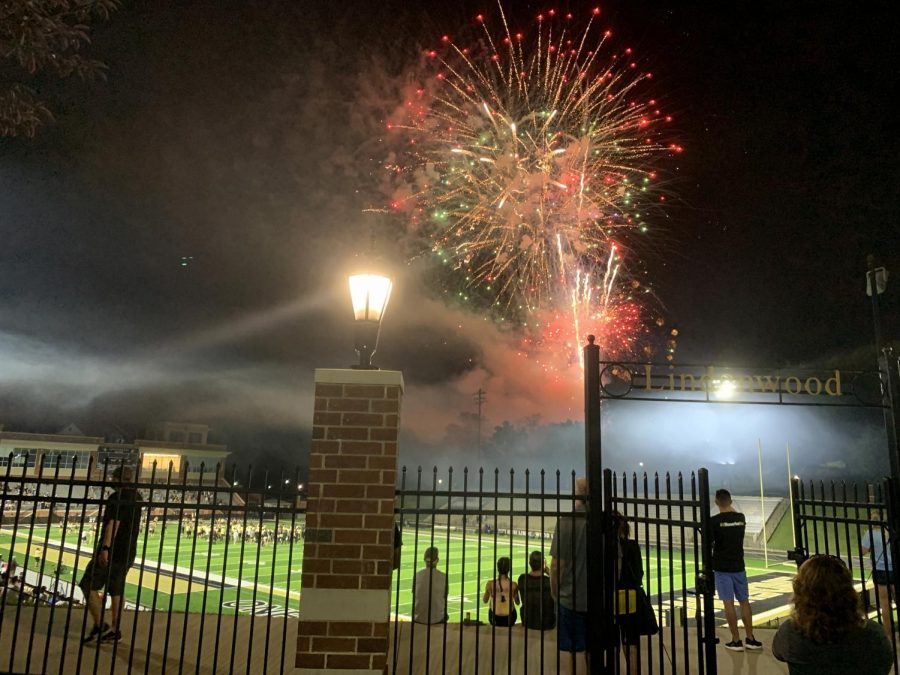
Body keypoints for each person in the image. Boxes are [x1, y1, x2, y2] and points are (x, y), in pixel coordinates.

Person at [773, 554, 892, 674]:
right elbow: (884, 664)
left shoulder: (791, 632)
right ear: (849, 591)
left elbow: (778, 652)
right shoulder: (872, 633)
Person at [79, 465, 143, 644]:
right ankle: (115, 629)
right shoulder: (137, 497)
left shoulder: (117, 497)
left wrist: (105, 548)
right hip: (128, 550)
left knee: (87, 584)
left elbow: (113, 524)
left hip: (113, 549)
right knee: (117, 589)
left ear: (118, 479)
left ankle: (101, 625)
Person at [711, 488, 761, 651]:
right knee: (744, 601)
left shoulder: (715, 521)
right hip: (739, 565)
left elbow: (709, 540)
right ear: (731, 501)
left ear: (717, 502)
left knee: (728, 603)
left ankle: (735, 639)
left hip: (722, 566)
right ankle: (750, 637)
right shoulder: (741, 518)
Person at [611, 512, 658, 675]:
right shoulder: (632, 545)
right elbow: (639, 573)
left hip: (610, 597)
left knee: (612, 640)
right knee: (630, 639)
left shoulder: (605, 545)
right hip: (629, 596)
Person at [551, 477, 589, 657]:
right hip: (599, 600)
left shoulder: (566, 522)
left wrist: (555, 591)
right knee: (596, 650)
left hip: (570, 600)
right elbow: (616, 564)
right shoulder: (606, 521)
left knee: (572, 654)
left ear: (576, 494)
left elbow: (557, 565)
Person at [861, 511, 894, 641]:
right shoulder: (889, 531)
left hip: (880, 570)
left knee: (885, 604)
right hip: (894, 569)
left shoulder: (869, 534)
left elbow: (863, 551)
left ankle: (889, 635)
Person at [517, 550, 556, 631]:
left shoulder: (522, 579)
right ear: (543, 564)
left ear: (530, 563)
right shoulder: (548, 581)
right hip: (547, 622)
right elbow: (558, 584)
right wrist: (548, 571)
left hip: (528, 621)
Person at [413, 546, 448, 624]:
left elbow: (415, 595)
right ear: (437, 560)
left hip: (418, 618)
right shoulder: (444, 576)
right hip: (437, 619)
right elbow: (445, 597)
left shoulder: (417, 575)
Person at [484, 556, 517, 626]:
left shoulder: (490, 584)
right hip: (509, 619)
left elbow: (485, 600)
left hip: (494, 619)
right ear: (509, 569)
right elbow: (517, 602)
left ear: (497, 568)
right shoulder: (513, 584)